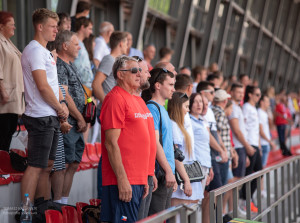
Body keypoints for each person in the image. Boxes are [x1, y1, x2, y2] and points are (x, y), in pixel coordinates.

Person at [21, 8, 68, 203]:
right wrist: (59, 107)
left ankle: (43, 208)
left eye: (57, 27)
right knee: (35, 166)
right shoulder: (34, 50)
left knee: (47, 166)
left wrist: (61, 106)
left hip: (50, 115)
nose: (56, 30)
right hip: (40, 116)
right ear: (40, 27)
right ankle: (26, 212)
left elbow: (53, 84)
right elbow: (42, 86)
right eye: (52, 26)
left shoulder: (46, 53)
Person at [100, 56, 150, 222]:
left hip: (137, 179)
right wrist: (122, 179)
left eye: (140, 70)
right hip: (122, 180)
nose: (139, 74)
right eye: (134, 70)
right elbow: (111, 143)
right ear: (120, 75)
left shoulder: (136, 99)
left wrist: (145, 178)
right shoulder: (115, 98)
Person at [55, 30, 87, 205]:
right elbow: (65, 95)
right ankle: (58, 204)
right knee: (64, 164)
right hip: (69, 122)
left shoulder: (71, 64)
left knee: (74, 163)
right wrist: (80, 117)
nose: (79, 47)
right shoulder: (59, 65)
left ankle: (64, 202)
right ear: (65, 46)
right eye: (76, 44)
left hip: (77, 122)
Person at [142, 68, 177, 215]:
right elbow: (154, 143)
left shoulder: (162, 109)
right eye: (170, 84)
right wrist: (168, 171)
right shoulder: (152, 108)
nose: (173, 89)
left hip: (167, 173)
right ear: (157, 85)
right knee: (155, 217)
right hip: (161, 173)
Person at [133, 56, 157, 220]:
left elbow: (149, 142)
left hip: (145, 175)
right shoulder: (120, 100)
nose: (149, 75)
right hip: (132, 177)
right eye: (146, 71)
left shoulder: (142, 102)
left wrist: (150, 172)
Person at [169, 92, 203, 206]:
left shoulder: (180, 125)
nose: (188, 110)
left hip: (187, 173)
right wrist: (186, 180)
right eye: (186, 107)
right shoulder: (174, 125)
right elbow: (176, 156)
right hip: (182, 176)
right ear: (178, 107)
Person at [228, 83, 256, 215]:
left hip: (241, 148)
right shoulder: (232, 107)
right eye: (238, 92)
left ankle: (233, 208)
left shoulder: (238, 107)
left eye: (242, 92)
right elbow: (236, 131)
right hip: (238, 147)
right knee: (235, 180)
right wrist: (247, 146)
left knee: (238, 180)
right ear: (231, 92)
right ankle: (230, 210)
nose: (240, 94)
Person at [0, 11, 24, 152]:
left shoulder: (7, 41)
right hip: (5, 101)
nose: (14, 28)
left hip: (12, 98)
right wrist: (3, 92)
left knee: (8, 134)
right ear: (1, 26)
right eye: (11, 25)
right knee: (3, 136)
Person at [240, 85, 263, 212]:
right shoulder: (246, 108)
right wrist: (247, 145)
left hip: (255, 144)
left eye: (260, 95)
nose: (259, 97)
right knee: (249, 174)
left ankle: (247, 198)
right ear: (250, 94)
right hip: (249, 144)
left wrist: (259, 145)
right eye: (257, 95)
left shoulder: (254, 108)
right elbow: (243, 127)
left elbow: (256, 129)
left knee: (259, 172)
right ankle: (244, 201)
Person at [92, 31, 128, 104]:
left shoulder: (115, 60)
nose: (127, 47)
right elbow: (96, 84)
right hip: (107, 109)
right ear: (121, 44)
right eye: (126, 44)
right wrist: (107, 104)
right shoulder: (109, 59)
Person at [189, 94, 211, 200]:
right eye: (195, 102)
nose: (199, 104)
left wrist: (210, 167)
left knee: (199, 199)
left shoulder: (202, 121)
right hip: (196, 165)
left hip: (205, 164)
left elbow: (206, 145)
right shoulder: (188, 120)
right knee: (194, 200)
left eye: (201, 101)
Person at [73, 17, 93, 90]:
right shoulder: (76, 44)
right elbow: (76, 66)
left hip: (85, 86)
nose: (91, 32)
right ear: (82, 27)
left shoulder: (81, 43)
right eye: (89, 28)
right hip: (82, 87)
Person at [258, 94, 276, 167]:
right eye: (267, 101)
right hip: (263, 144)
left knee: (263, 167)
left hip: (265, 143)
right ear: (262, 102)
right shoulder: (259, 112)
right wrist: (270, 141)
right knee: (261, 169)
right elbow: (260, 131)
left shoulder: (263, 113)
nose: (269, 103)